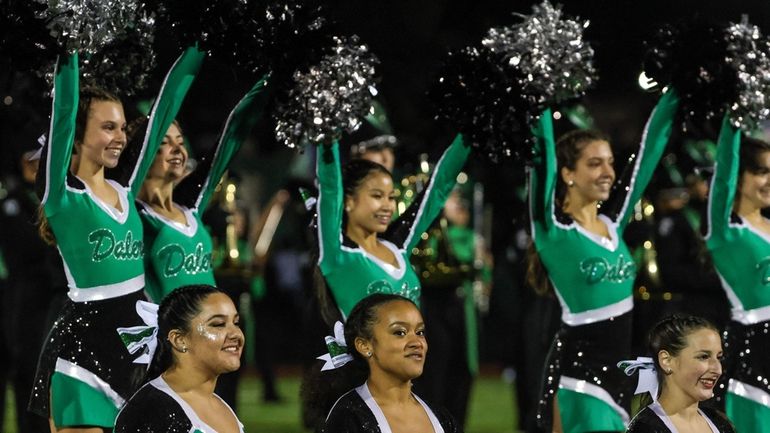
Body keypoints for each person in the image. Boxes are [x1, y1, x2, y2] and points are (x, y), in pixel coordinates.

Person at [28, 48, 203, 432]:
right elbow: (64, 108)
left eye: (122, 127)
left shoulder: (126, 190)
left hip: (138, 343)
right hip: (83, 345)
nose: (121, 137)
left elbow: (166, 104)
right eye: (108, 127)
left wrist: (199, 44)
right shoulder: (63, 195)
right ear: (76, 134)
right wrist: (70, 40)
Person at [528, 88, 679, 433]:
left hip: (621, 375)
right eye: (594, 164)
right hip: (579, 377)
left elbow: (647, 153)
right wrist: (541, 93)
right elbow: (541, 159)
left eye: (610, 162)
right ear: (567, 173)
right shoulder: (554, 231)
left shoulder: (613, 223)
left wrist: (675, 93)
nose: (608, 172)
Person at [136, 74, 269, 303]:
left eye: (180, 141)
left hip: (210, 334)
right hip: (166, 335)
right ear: (140, 153)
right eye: (165, 143)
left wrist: (270, 79)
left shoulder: (190, 208)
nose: (178, 149)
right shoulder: (133, 214)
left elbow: (230, 138)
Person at [314, 133, 470, 322]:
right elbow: (330, 185)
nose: (388, 206)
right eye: (377, 196)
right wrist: (327, 131)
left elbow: (438, 188)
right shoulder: (338, 252)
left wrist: (468, 135)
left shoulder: (398, 246)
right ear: (348, 201)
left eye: (391, 197)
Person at [313, 293, 461, 433]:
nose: (417, 342)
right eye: (400, 332)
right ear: (365, 346)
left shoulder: (442, 419)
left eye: (420, 332)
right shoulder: (348, 417)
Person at [704, 126, 770, 432]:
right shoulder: (726, 233)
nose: (769, 180)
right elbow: (724, 171)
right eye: (761, 171)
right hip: (753, 364)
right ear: (739, 177)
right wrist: (733, 116)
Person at [114, 284, 245, 433]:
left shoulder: (219, 404)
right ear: (179, 340)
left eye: (236, 323)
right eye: (218, 324)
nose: (236, 334)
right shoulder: (152, 411)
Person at [624, 315, 735, 432]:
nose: (718, 370)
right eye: (704, 356)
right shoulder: (645, 429)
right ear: (667, 361)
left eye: (719, 357)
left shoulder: (721, 424)